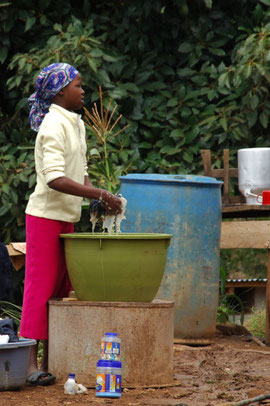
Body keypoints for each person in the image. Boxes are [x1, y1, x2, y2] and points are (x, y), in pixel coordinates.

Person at [20, 63, 122, 386]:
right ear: (61, 91)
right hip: (44, 218)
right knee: (40, 289)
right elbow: (54, 179)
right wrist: (99, 192)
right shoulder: (52, 125)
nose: (83, 91)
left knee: (61, 289)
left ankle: (53, 359)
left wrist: (93, 197)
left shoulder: (75, 124)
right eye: (78, 85)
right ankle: (27, 365)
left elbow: (81, 170)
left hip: (66, 219)